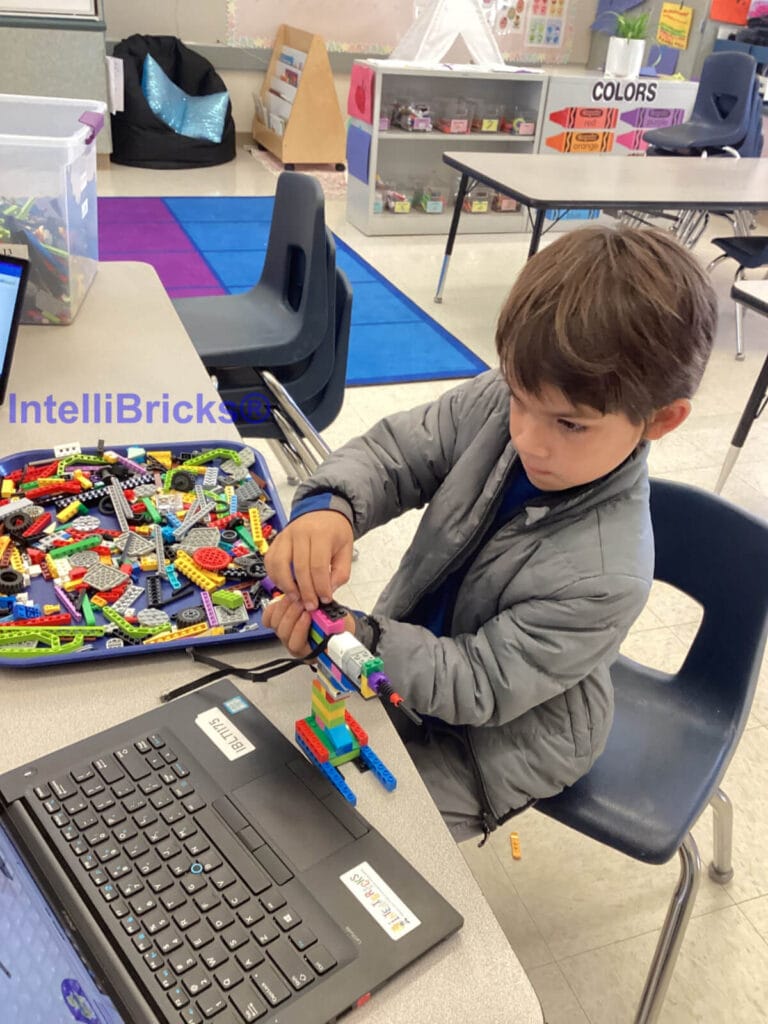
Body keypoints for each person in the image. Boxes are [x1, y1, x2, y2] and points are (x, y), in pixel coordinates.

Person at [262, 225, 718, 842]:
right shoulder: (505, 402)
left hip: (496, 741)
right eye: (521, 399)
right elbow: (399, 454)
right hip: (411, 652)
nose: (527, 436)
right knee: (275, 767)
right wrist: (329, 505)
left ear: (660, 420)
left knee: (350, 837)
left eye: (569, 424)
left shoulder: (609, 574)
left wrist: (358, 640)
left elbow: (478, 684)